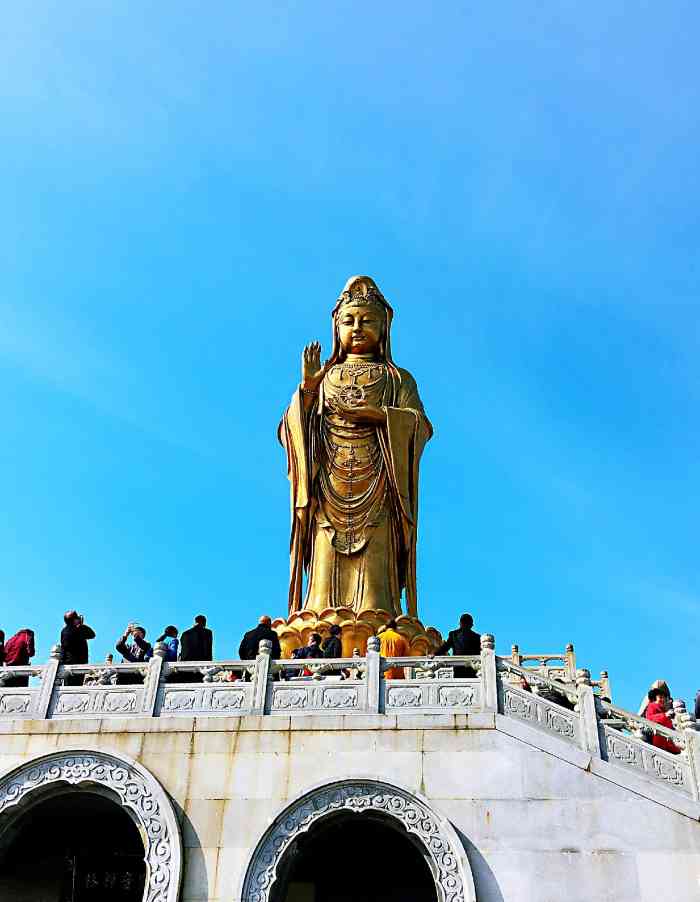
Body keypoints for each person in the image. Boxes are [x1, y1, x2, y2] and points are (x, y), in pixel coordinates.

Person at [279, 276, 432, 619]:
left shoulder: (396, 378)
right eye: (349, 321)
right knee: (323, 561)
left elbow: (419, 425)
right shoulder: (325, 377)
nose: (358, 327)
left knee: (376, 574)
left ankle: (381, 613)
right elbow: (292, 431)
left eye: (368, 320)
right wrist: (306, 390)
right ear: (336, 327)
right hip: (328, 487)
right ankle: (317, 614)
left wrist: (377, 415)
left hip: (380, 485)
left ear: (384, 327)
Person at [434, 613, 481, 677]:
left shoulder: (477, 637)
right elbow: (445, 647)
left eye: (467, 623)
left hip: (471, 669)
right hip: (458, 668)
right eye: (464, 622)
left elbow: (480, 652)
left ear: (470, 625)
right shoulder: (453, 635)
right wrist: (434, 655)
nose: (465, 625)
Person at [645, 688, 681, 755]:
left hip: (668, 740)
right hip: (658, 738)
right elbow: (650, 718)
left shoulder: (663, 710)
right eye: (660, 697)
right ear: (654, 699)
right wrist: (664, 715)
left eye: (663, 698)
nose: (662, 699)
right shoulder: (652, 706)